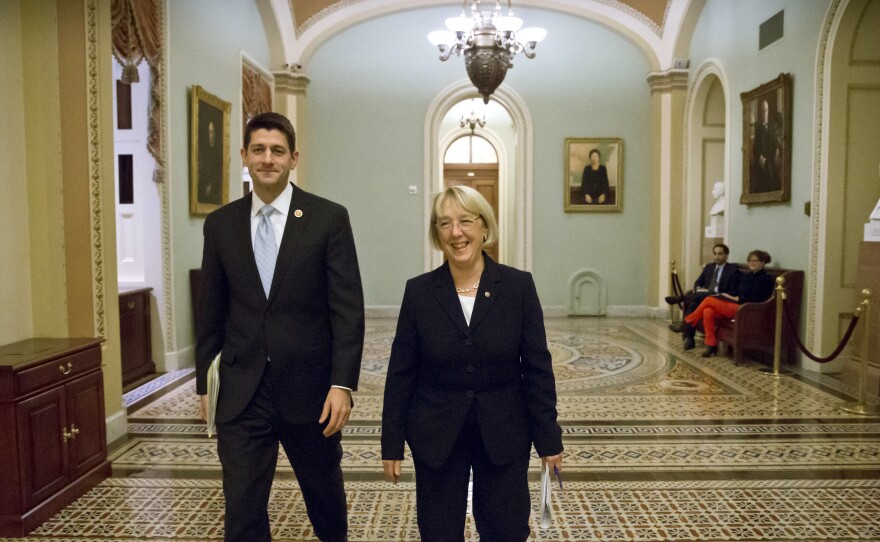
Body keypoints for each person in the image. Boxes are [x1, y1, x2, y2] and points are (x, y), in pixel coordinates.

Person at [195, 112, 364, 542]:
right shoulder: (221, 225)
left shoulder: (328, 219)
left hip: (311, 391)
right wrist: (203, 386)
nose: (267, 158)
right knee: (242, 508)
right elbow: (210, 311)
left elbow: (347, 310)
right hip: (242, 390)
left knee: (324, 497)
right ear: (244, 157)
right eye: (258, 150)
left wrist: (342, 384)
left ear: (293, 158)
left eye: (277, 150)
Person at [381, 185, 564, 542]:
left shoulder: (517, 286)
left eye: (465, 221)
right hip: (435, 433)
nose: (456, 232)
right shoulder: (419, 292)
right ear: (438, 234)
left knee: (507, 529)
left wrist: (549, 439)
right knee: (439, 532)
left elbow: (538, 368)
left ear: (484, 227)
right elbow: (401, 371)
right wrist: (392, 442)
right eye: (445, 224)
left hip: (504, 430)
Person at [682, 250, 775, 358]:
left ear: (763, 262)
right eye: (750, 260)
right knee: (708, 311)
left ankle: (689, 321)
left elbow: (756, 298)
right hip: (736, 304)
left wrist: (737, 298)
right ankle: (711, 344)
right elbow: (737, 290)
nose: (752, 263)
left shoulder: (765, 279)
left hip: (746, 309)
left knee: (709, 300)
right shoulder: (748, 275)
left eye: (755, 261)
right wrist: (730, 296)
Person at [666, 243, 741, 346]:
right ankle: (690, 339)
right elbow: (698, 282)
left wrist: (714, 293)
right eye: (715, 254)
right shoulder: (709, 267)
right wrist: (698, 289)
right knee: (693, 303)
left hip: (719, 298)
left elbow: (732, 291)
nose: (717, 257)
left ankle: (680, 299)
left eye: (720, 254)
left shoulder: (733, 270)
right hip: (705, 296)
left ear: (726, 255)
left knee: (698, 299)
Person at [751, 100, 779, 193]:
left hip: (771, 160)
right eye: (762, 111)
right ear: (760, 112)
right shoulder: (758, 129)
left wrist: (774, 155)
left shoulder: (772, 128)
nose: (764, 113)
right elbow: (755, 148)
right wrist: (760, 157)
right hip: (761, 161)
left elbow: (775, 145)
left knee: (771, 172)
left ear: (768, 111)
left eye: (766, 110)